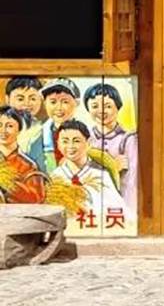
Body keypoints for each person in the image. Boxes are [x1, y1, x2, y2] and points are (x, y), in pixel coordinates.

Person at [84, 82, 138, 210]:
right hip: (91, 206)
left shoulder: (128, 139)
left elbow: (132, 182)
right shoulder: (85, 138)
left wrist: (129, 212)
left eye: (107, 106)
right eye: (95, 106)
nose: (101, 111)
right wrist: (112, 168)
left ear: (117, 107)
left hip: (120, 206)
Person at [21, 77, 87, 174]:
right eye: (53, 102)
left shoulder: (88, 136)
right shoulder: (37, 139)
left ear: (77, 103)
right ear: (45, 103)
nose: (59, 108)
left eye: (65, 102)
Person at [0, 107, 46, 204]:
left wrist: (7, 183)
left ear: (19, 130)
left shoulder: (28, 166)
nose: (3, 130)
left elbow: (36, 198)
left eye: (10, 126)